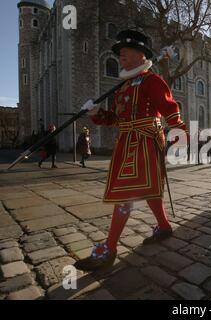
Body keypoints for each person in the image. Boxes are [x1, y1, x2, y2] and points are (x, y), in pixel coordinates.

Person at [74, 30, 187, 271]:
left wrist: (180, 133)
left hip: (145, 142)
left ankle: (109, 249)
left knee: (126, 193)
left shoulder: (152, 80)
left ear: (140, 55)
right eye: (119, 53)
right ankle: (164, 226)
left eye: (125, 52)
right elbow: (115, 118)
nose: (120, 56)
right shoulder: (123, 87)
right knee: (149, 188)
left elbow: (170, 108)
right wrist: (96, 113)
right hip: (126, 142)